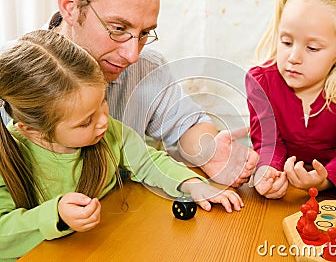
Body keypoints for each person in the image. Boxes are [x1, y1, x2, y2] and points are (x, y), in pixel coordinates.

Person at [0, 30, 244, 260]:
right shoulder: (8, 159)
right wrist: (56, 215)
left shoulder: (108, 132)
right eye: (86, 122)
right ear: (32, 129)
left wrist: (191, 184)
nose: (104, 121)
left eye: (102, 103)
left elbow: (148, 162)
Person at [42, 0, 258, 187]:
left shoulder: (146, 69)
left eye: (144, 33)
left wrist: (209, 152)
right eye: (118, 29)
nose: (132, 55)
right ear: (70, 8)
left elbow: (188, 125)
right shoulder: (11, 76)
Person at [245, 0, 336, 198]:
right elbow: (269, 143)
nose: (293, 58)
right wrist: (268, 170)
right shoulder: (261, 82)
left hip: (334, 197)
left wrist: (324, 181)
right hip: (286, 194)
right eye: (287, 42)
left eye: (312, 48)